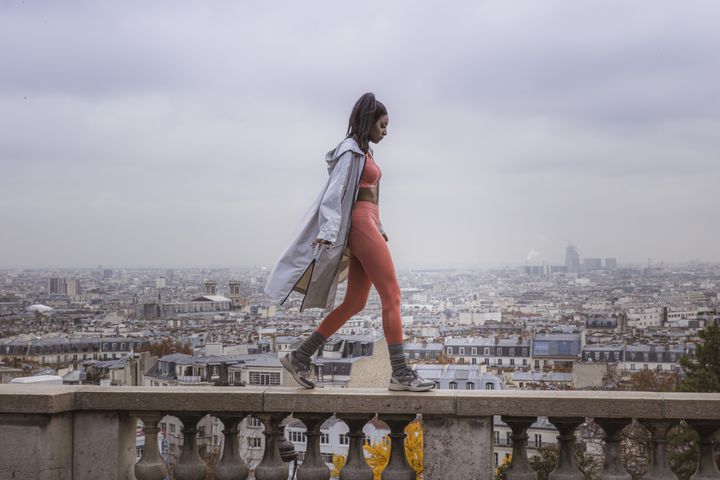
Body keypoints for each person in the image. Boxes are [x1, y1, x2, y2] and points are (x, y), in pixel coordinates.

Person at [265, 93, 434, 392]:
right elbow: (336, 192)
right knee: (392, 295)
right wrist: (330, 231)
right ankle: (400, 373)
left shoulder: (364, 153)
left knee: (355, 302)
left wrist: (379, 226)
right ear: (369, 121)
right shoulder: (350, 150)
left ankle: (300, 355)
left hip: (367, 224)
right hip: (359, 223)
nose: (386, 131)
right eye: (382, 124)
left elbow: (366, 194)